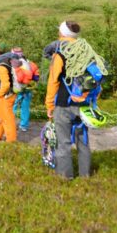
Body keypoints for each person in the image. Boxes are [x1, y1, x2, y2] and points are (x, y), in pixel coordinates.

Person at [44, 20, 91, 179]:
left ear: (62, 33)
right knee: (83, 141)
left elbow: (53, 80)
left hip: (64, 102)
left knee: (63, 141)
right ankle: (85, 175)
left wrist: (49, 104)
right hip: (84, 102)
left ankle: (65, 176)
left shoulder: (60, 53)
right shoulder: (86, 51)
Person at [0, 44, 18, 143]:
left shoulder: (1, 65)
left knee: (7, 117)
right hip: (11, 93)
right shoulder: (10, 60)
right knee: (1, 115)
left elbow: (5, 84)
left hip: (6, 95)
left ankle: (11, 139)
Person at [10, 47, 38, 132]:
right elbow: (36, 77)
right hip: (27, 89)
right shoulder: (30, 64)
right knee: (25, 107)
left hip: (16, 89)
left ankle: (10, 124)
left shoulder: (12, 63)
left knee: (12, 106)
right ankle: (24, 126)